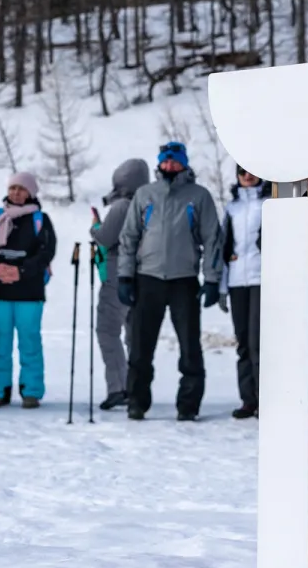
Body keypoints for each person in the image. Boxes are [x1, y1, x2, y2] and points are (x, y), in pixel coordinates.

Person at [115, 141, 223, 422]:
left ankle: (188, 405)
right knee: (140, 347)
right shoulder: (145, 195)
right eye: (166, 161)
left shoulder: (198, 196)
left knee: (189, 347)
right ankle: (137, 402)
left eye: (176, 161)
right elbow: (129, 237)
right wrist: (125, 276)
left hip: (183, 281)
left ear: (184, 164)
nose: (170, 165)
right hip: (147, 278)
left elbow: (212, 239)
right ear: (159, 163)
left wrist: (211, 279)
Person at [0, 171, 58, 409]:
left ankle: (31, 391)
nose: (16, 193)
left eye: (21, 189)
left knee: (29, 341)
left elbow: (46, 252)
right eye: (13, 188)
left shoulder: (40, 220)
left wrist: (21, 271)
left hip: (29, 292)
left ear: (31, 193)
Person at [90, 159, 148, 411]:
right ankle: (136, 387)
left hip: (117, 273)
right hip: (142, 273)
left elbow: (105, 236)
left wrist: (95, 226)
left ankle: (118, 387)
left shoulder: (123, 205)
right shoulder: (149, 203)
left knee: (107, 330)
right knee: (133, 334)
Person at [224, 163, 270, 419]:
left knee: (258, 342)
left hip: (261, 278)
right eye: (242, 172)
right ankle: (248, 399)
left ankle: (265, 398)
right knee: (242, 342)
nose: (247, 176)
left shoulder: (269, 203)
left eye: (251, 171)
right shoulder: (232, 207)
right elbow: (224, 243)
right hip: (236, 280)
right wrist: (220, 285)